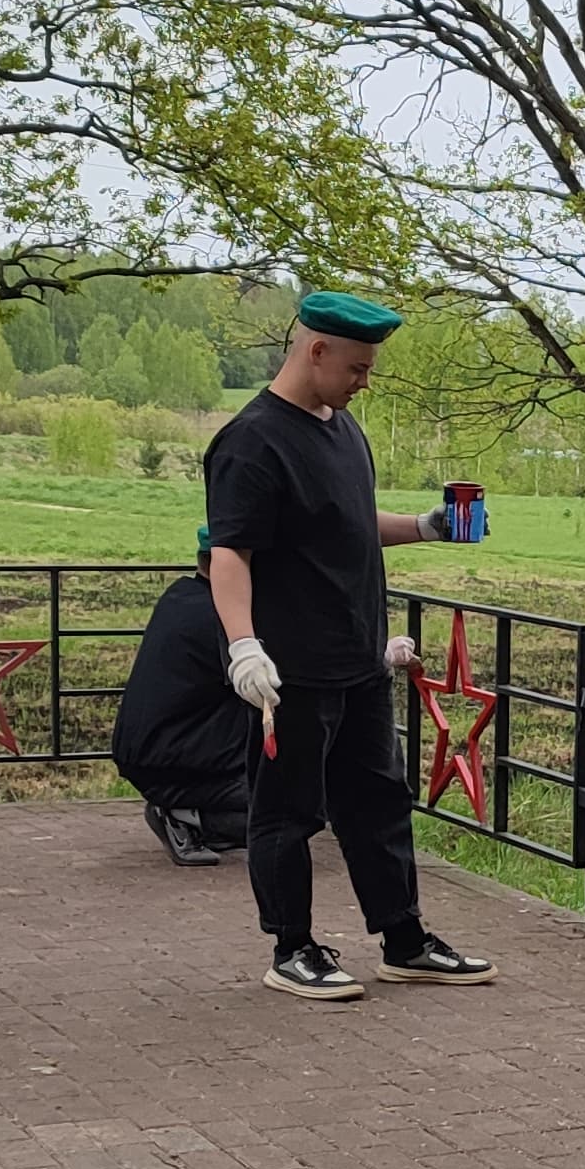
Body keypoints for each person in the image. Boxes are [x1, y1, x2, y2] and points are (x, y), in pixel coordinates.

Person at [207, 291, 497, 1001]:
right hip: (291, 669)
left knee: (379, 801)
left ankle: (403, 939)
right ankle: (292, 948)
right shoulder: (251, 441)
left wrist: (427, 527)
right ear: (316, 351)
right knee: (288, 811)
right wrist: (244, 646)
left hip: (360, 657)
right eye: (358, 368)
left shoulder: (342, 431)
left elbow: (347, 521)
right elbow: (231, 554)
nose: (365, 382)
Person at [109, 548, 253, 866]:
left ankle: (191, 814)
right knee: (296, 807)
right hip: (180, 758)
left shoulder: (182, 594)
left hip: (159, 749)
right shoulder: (221, 617)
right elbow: (289, 675)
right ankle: (185, 816)